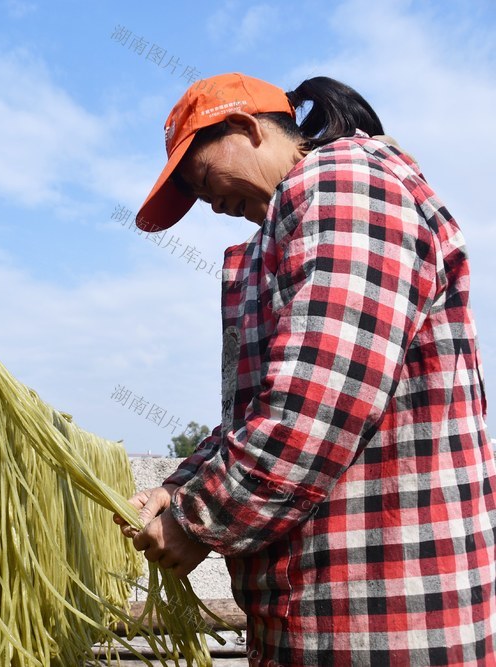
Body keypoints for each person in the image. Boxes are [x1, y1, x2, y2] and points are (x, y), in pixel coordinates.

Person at [113, 72, 495, 664]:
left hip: (382, 623)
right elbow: (264, 407)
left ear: (245, 127)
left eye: (202, 178)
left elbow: (319, 404)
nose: (210, 205)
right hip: (324, 618)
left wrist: (196, 523)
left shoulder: (346, 182)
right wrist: (176, 488)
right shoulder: (299, 220)